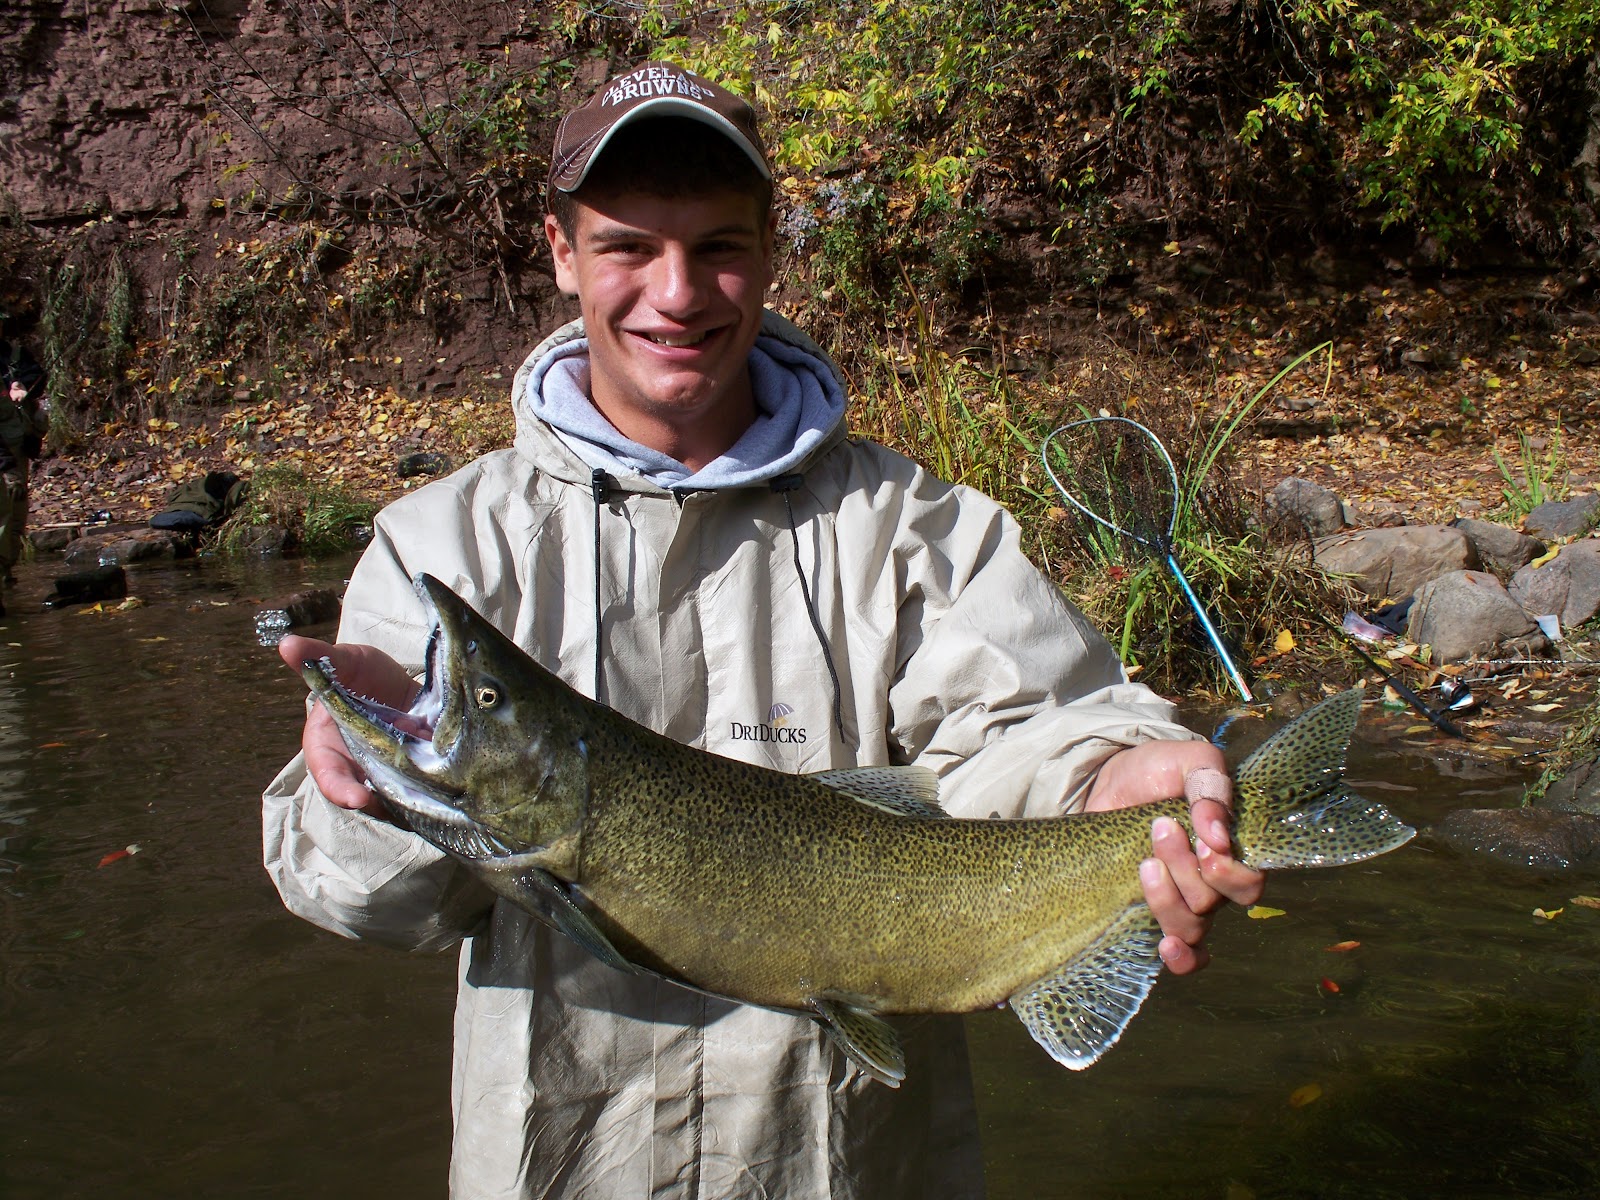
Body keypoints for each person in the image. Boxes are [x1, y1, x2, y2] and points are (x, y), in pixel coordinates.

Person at [264, 62, 1263, 1198]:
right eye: (628, 247)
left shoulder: (910, 524)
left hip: (849, 1162)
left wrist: (1113, 781)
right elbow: (356, 902)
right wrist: (381, 789)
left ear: (772, 248)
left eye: (718, 247)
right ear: (559, 251)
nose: (677, 294)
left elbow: (1035, 727)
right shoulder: (439, 548)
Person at [0, 334, 49, 591]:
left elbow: (38, 377)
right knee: (3, 514)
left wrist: (20, 385)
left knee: (17, 511)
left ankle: (7, 568)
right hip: (3, 455)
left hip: (17, 446)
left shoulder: (15, 354)